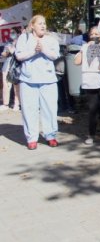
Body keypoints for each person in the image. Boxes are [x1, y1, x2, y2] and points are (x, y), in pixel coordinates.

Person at [15, 15, 60, 150]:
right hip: (28, 80)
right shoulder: (24, 38)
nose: (43, 26)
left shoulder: (51, 39)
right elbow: (19, 56)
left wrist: (43, 49)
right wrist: (34, 51)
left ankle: (50, 135)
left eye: (44, 23)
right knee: (29, 110)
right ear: (32, 25)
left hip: (48, 80)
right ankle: (32, 138)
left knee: (50, 109)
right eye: (40, 23)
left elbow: (55, 55)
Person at [74, 26, 100, 145]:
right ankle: (91, 135)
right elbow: (76, 62)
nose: (95, 36)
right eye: (92, 34)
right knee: (92, 110)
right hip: (88, 81)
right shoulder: (85, 46)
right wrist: (84, 50)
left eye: (97, 34)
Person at [1, 27, 21, 111]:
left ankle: (17, 104)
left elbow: (20, 54)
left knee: (16, 85)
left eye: (13, 32)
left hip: (16, 65)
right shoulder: (8, 42)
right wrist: (5, 53)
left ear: (18, 33)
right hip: (7, 65)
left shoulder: (20, 42)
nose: (11, 34)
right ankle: (5, 104)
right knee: (6, 84)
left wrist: (13, 50)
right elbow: (3, 54)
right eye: (11, 32)